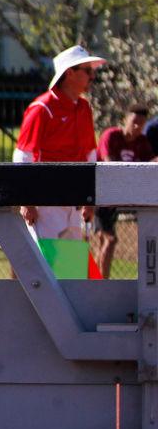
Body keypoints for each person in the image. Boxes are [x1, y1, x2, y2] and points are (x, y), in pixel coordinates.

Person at [14, 45, 103, 246]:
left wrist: (89, 198)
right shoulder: (42, 108)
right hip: (46, 202)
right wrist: (27, 200)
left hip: (73, 200)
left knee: (70, 264)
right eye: (87, 71)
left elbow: (90, 154)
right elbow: (22, 156)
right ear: (69, 73)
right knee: (46, 263)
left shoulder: (83, 108)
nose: (92, 76)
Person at [95, 102, 155, 278]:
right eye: (134, 122)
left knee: (106, 242)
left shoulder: (142, 142)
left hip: (125, 196)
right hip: (103, 195)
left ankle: (98, 280)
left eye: (141, 124)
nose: (136, 127)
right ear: (124, 119)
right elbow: (108, 164)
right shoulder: (111, 136)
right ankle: (102, 284)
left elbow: (150, 165)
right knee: (109, 240)